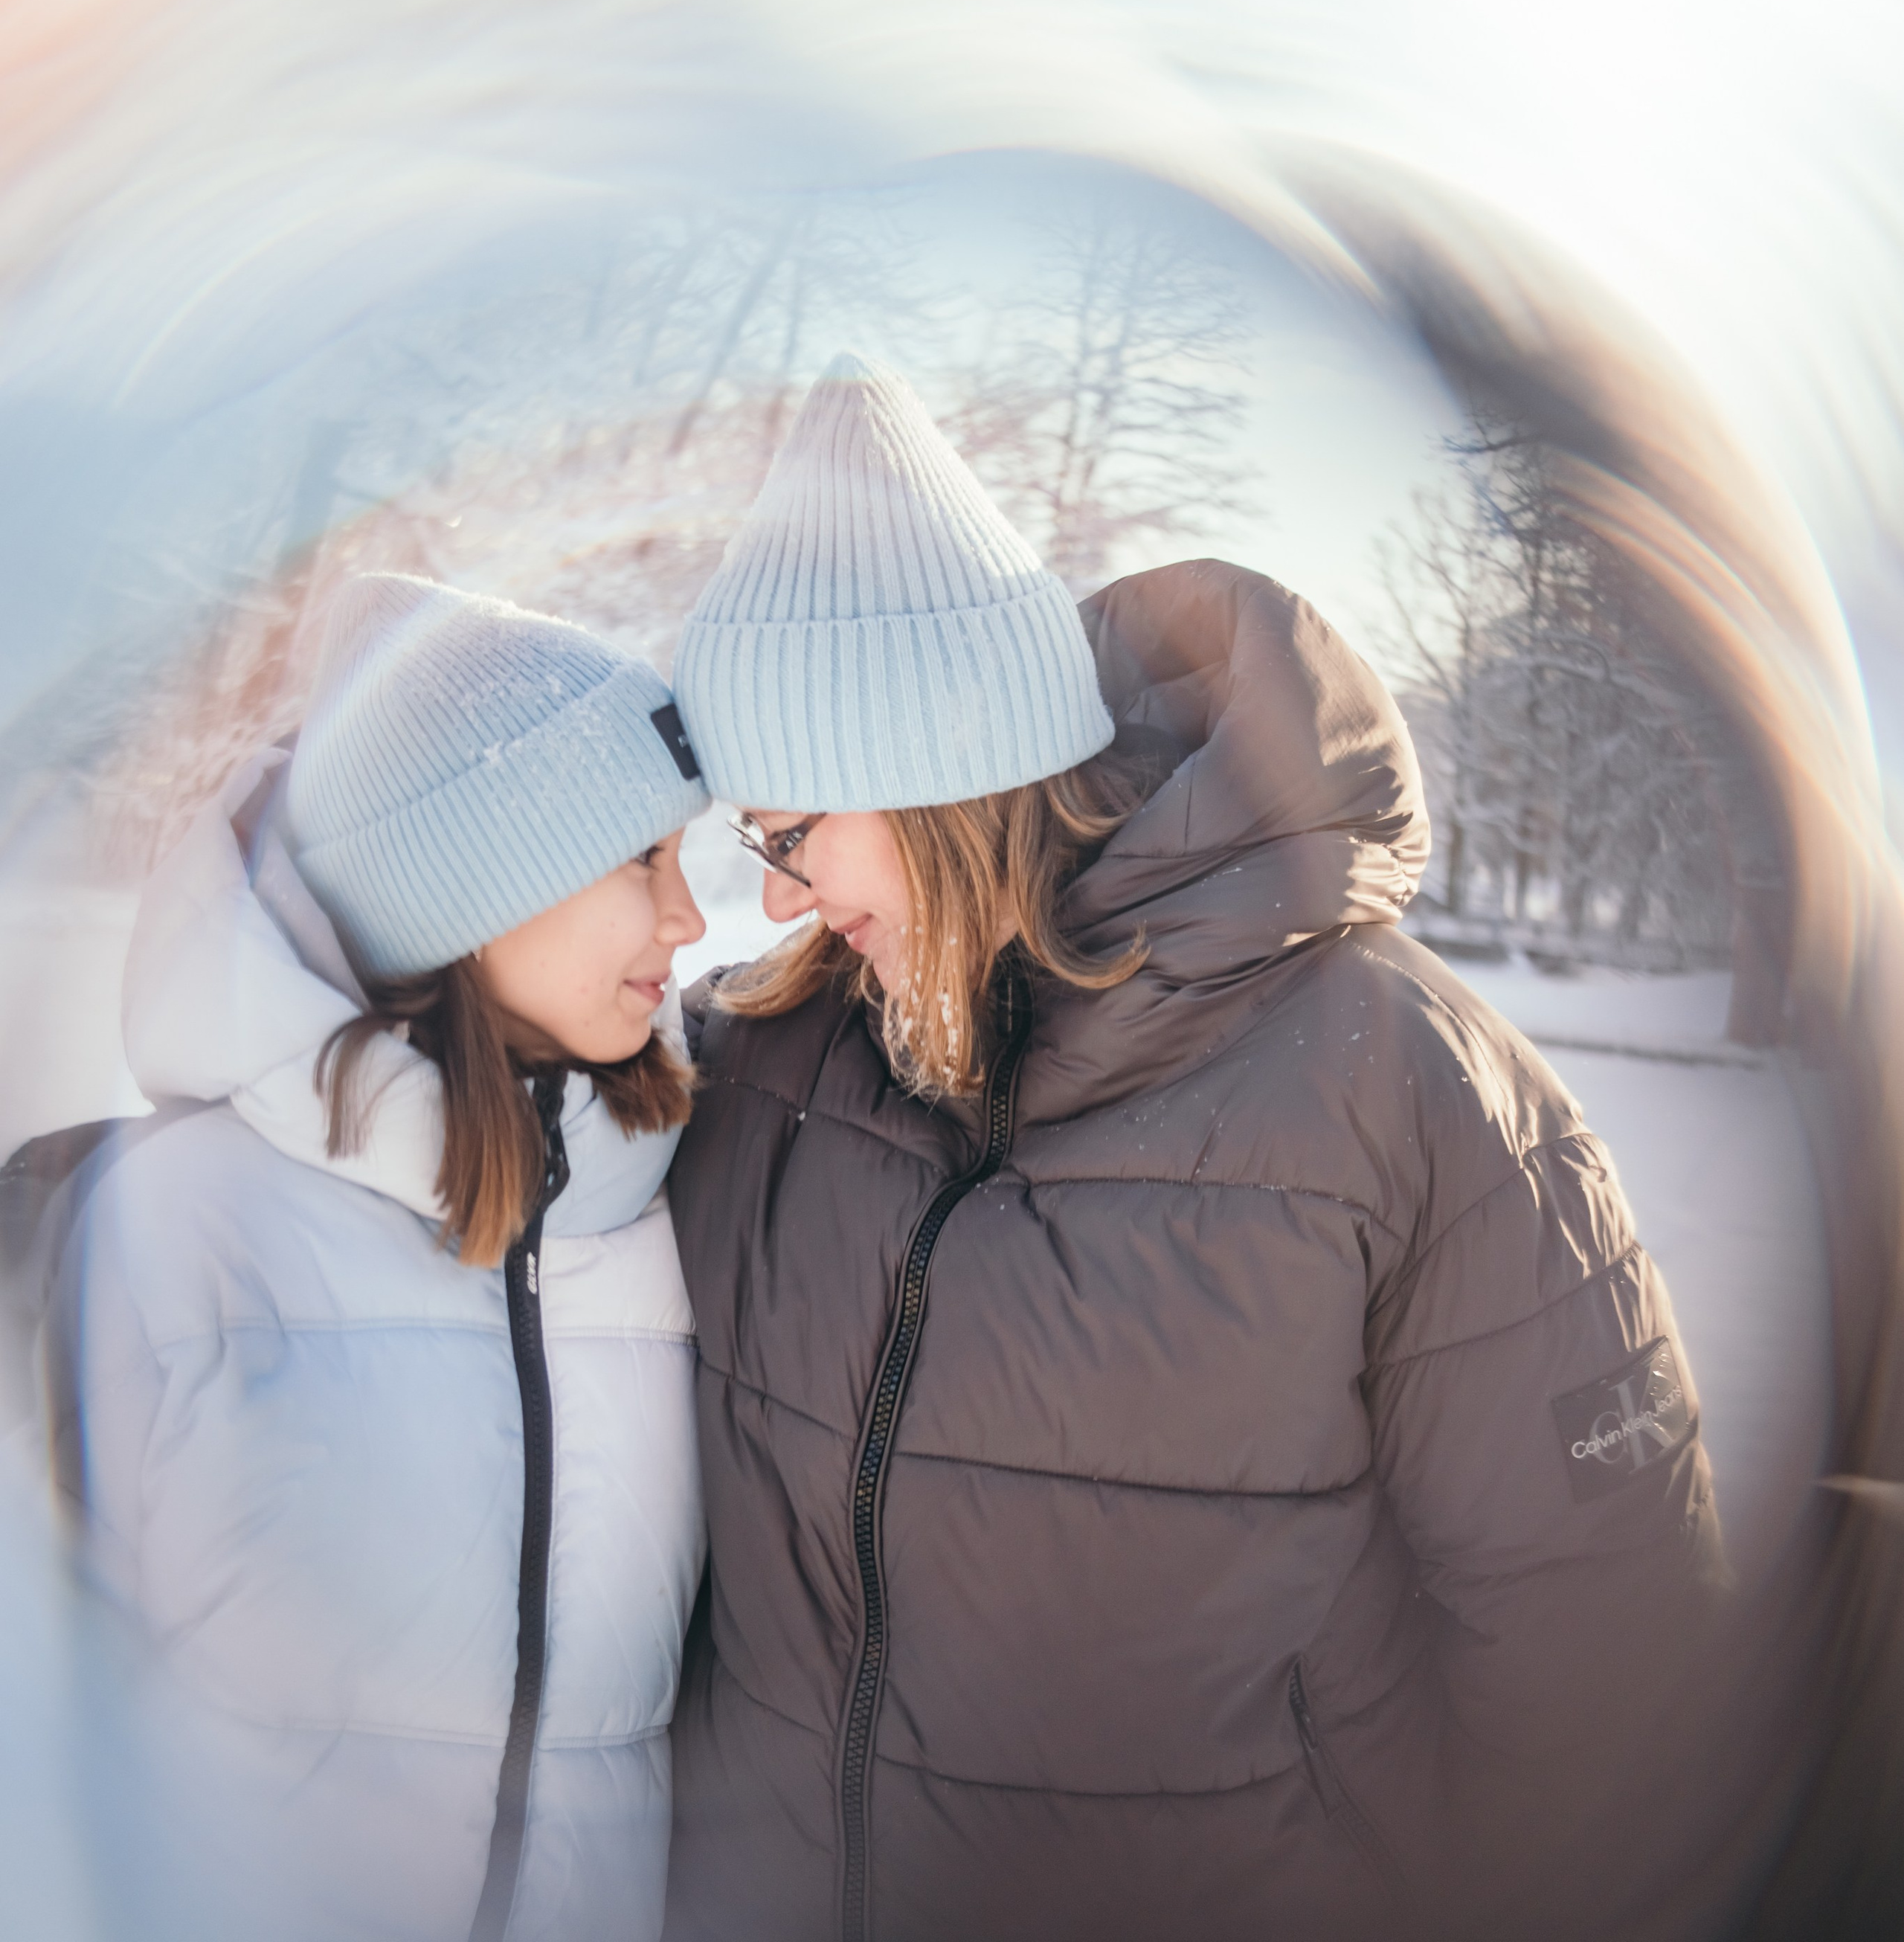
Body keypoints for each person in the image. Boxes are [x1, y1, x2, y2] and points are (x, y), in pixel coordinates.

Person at [662, 353, 1731, 1942]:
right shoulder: (763, 1058)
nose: (773, 900)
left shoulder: (1399, 1085)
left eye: (788, 833)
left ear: (929, 777)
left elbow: (1601, 1660)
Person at [45, 574, 711, 1942]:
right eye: (642, 859)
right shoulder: (169, 1225)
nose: (692, 921)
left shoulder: (670, 1206)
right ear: (478, 882)